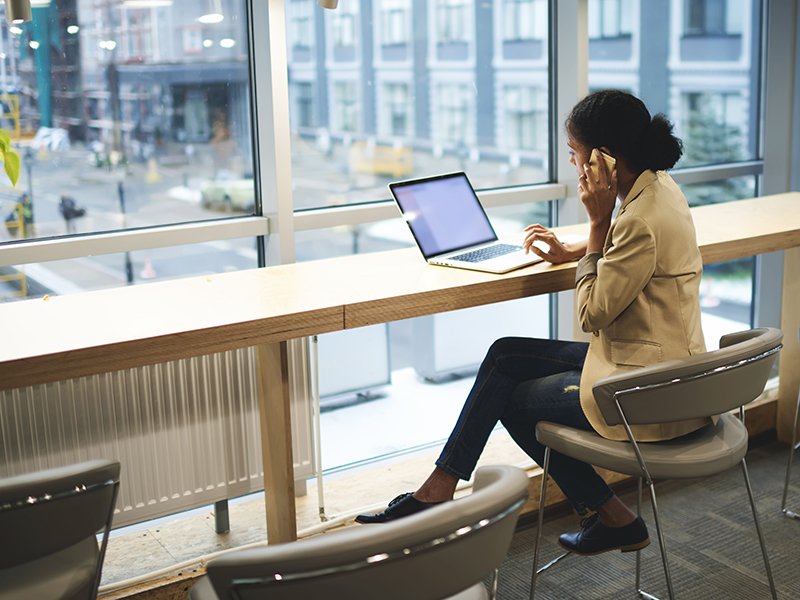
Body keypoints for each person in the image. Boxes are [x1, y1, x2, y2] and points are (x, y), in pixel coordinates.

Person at [355, 90, 710, 557]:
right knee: (506, 355)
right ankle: (439, 490)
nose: (575, 166)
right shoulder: (658, 189)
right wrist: (583, 247)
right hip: (662, 360)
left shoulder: (634, 218)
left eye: (575, 155)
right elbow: (634, 261)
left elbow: (590, 315)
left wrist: (596, 228)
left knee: (513, 402)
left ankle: (609, 516)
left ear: (603, 159)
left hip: (644, 388)